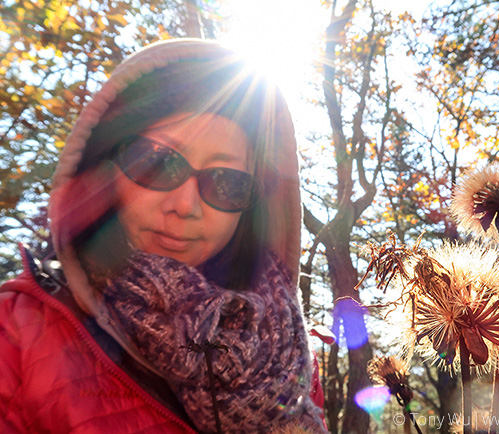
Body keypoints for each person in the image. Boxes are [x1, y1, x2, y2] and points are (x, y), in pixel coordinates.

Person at [0, 39, 326, 433]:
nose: (186, 205)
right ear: (107, 167)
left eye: (225, 182)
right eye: (157, 161)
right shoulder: (15, 331)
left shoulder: (287, 355)